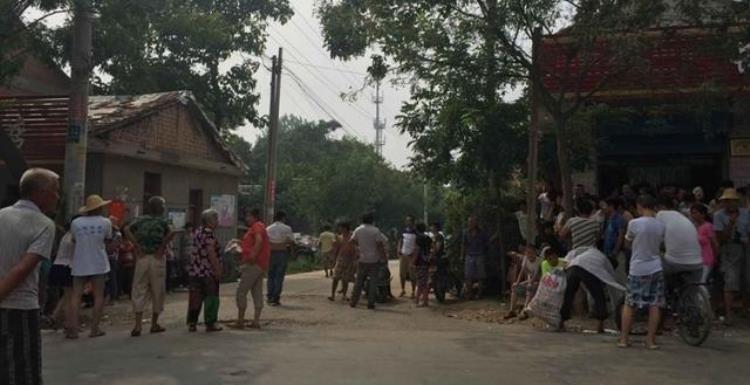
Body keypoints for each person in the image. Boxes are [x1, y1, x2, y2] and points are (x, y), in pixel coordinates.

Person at [0, 169, 58, 385]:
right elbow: (22, 270)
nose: (57, 197)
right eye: (55, 191)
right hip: (20, 308)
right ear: (41, 193)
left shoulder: (2, 215)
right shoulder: (43, 224)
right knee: (23, 372)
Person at [619, 194, 666, 349]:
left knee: (630, 303)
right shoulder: (660, 225)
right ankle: (650, 340)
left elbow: (627, 242)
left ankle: (624, 339)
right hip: (655, 266)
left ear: (640, 206)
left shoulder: (634, 223)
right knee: (655, 304)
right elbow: (661, 246)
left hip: (638, 267)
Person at [126, 196, 175, 337]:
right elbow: (172, 232)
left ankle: (137, 325)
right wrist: (161, 247)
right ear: (160, 208)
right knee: (157, 290)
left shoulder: (140, 220)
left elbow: (127, 229)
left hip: (142, 258)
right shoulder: (164, 221)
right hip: (157, 258)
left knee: (139, 289)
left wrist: (136, 246)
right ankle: (154, 324)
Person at [69, 195, 114, 339]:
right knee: (98, 296)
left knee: (76, 295)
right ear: (100, 208)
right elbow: (108, 240)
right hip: (99, 263)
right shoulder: (106, 222)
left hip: (79, 262)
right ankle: (94, 329)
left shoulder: (76, 222)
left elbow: (74, 240)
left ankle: (74, 330)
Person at [559, 247, 626, 333]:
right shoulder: (606, 262)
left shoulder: (593, 252)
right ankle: (600, 325)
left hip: (574, 266)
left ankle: (560, 322)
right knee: (599, 296)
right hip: (588, 270)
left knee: (568, 295)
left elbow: (575, 251)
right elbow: (611, 283)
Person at [712, 188, 750, 325]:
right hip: (729, 247)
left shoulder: (746, 213)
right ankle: (729, 314)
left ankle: (746, 310)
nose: (729, 204)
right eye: (727, 202)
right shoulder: (719, 216)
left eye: (732, 201)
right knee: (731, 280)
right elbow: (720, 237)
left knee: (747, 280)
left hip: (745, 246)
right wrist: (731, 223)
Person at [186, 209, 223, 332]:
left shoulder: (197, 232)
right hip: (207, 271)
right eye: (216, 219)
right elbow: (211, 252)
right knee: (211, 297)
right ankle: (210, 323)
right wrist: (217, 269)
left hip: (195, 271)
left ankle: (192, 323)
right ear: (210, 221)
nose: (217, 222)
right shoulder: (209, 234)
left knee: (195, 297)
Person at [656, 196, 703, 284]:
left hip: (676, 263)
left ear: (660, 206)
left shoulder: (661, 214)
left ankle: (661, 293)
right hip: (698, 263)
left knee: (653, 265)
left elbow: (656, 239)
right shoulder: (681, 217)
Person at [236, 209, 270, 329]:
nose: (246, 219)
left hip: (253, 264)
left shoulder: (257, 227)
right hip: (260, 264)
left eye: (248, 216)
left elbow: (259, 241)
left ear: (254, 217)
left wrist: (252, 255)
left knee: (241, 291)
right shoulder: (258, 227)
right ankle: (256, 321)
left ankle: (240, 320)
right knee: (257, 292)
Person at [350, 213, 387, 309]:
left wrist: (357, 250)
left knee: (358, 281)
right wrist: (384, 257)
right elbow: (380, 245)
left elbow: (352, 241)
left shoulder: (358, 229)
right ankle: (371, 302)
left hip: (362, 259)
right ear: (372, 220)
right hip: (374, 260)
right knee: (373, 282)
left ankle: (353, 301)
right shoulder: (375, 230)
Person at [49, 217, 78, 333]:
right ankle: (68, 323)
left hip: (59, 266)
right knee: (70, 297)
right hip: (67, 267)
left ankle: (55, 316)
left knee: (67, 295)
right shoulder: (74, 237)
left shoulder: (66, 235)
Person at [504, 246, 542, 320]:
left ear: (535, 253)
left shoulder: (539, 261)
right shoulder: (525, 259)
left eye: (531, 253)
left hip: (539, 282)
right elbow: (522, 271)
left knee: (529, 289)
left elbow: (536, 274)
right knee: (515, 288)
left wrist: (530, 283)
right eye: (528, 253)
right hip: (530, 281)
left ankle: (525, 311)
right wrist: (517, 282)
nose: (530, 255)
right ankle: (512, 310)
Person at [266, 211, 294, 306]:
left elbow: (265, 242)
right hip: (282, 253)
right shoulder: (287, 228)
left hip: (270, 253)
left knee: (270, 275)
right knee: (279, 276)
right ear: (283, 218)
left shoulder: (268, 229)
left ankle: (269, 296)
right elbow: (291, 241)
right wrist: (292, 253)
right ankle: (276, 297)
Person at [329, 221, 356, 302]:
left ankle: (344, 295)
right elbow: (336, 249)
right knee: (336, 277)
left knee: (345, 279)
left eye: (341, 228)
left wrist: (354, 259)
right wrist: (333, 258)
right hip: (341, 258)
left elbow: (354, 249)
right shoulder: (339, 237)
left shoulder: (352, 236)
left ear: (345, 228)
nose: (340, 229)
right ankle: (332, 295)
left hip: (349, 259)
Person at [463, 215, 489, 299]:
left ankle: (479, 294)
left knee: (480, 276)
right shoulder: (466, 232)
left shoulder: (481, 232)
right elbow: (464, 244)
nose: (470, 223)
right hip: (469, 255)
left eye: (472, 222)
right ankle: (470, 294)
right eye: (469, 222)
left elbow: (486, 243)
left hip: (479, 255)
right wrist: (462, 255)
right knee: (468, 276)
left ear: (476, 223)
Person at [690, 204, 718, 284]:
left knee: (702, 282)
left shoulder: (708, 226)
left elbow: (714, 243)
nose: (693, 215)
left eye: (695, 213)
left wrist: (715, 257)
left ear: (703, 214)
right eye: (692, 213)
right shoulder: (694, 227)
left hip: (707, 259)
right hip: (696, 259)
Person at [602, 197, 626, 269]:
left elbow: (620, 236)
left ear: (611, 206)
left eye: (605, 206)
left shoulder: (619, 219)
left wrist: (615, 250)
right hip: (607, 251)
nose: (603, 208)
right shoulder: (607, 218)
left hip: (615, 253)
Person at [397, 215, 417, 298]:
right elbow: (400, 241)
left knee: (412, 275)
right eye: (407, 220)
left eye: (409, 221)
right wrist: (398, 249)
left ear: (412, 222)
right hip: (403, 254)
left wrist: (414, 253)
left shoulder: (415, 232)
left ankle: (413, 291)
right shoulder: (403, 231)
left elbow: (417, 244)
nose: (408, 222)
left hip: (411, 256)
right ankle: (403, 289)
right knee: (402, 274)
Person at [413, 222, 432, 307]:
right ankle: (418, 300)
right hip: (427, 261)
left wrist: (413, 261)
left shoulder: (418, 238)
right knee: (423, 281)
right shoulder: (428, 238)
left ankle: (424, 301)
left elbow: (417, 250)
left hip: (420, 261)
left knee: (421, 282)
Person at [105, 216, 123, 304]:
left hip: (112, 258)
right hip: (106, 258)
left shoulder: (117, 234)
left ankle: (112, 297)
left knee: (112, 277)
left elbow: (112, 247)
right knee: (107, 278)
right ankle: (107, 296)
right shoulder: (108, 233)